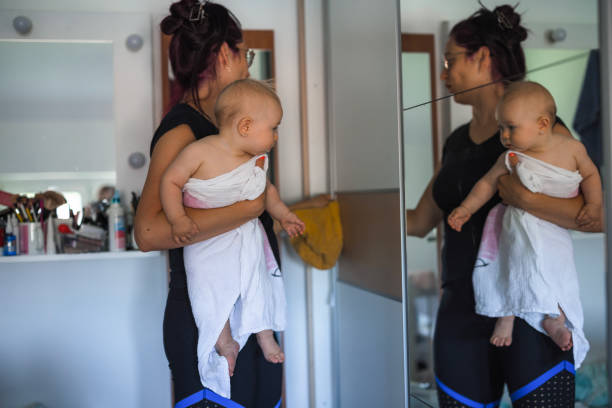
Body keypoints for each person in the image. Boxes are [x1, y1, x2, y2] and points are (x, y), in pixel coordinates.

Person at [404, 5, 603, 407]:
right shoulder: (457, 141)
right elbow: (419, 221)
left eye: (450, 60)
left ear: (482, 58)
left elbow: (595, 218)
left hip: (531, 307)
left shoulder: (543, 133)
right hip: (461, 306)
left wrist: (525, 198)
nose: (444, 74)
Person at [134, 2, 282, 407]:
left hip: (250, 313)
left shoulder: (228, 128)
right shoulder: (182, 131)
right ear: (222, 56)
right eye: (245, 55)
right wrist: (248, 210)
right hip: (208, 321)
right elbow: (147, 233)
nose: (249, 67)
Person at [159, 79, 304, 399]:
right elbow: (170, 181)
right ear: (246, 125)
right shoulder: (199, 151)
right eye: (274, 128)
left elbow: (268, 194)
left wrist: (284, 215)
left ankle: (264, 335)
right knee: (213, 289)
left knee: (258, 283)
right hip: (207, 242)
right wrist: (178, 218)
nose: (277, 136)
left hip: (246, 237)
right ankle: (224, 339)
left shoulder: (253, 161)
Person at [447, 81, 599, 366]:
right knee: (513, 268)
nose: (503, 136)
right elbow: (486, 185)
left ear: (542, 124)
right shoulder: (511, 157)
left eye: (510, 128)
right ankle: (507, 315)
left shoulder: (572, 149)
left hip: (552, 229)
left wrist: (594, 205)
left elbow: (591, 176)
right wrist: (466, 208)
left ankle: (555, 318)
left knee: (553, 272)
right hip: (516, 227)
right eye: (501, 127)